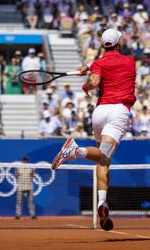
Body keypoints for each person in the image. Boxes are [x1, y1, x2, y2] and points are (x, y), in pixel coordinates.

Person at [51, 29, 136, 231]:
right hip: (118, 111)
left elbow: (95, 79)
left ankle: (102, 203)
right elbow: (103, 70)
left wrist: (86, 81)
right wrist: (89, 71)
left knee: (103, 160)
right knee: (104, 155)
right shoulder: (130, 61)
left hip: (99, 112)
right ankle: (76, 151)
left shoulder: (99, 63)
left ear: (103, 44)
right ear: (119, 44)